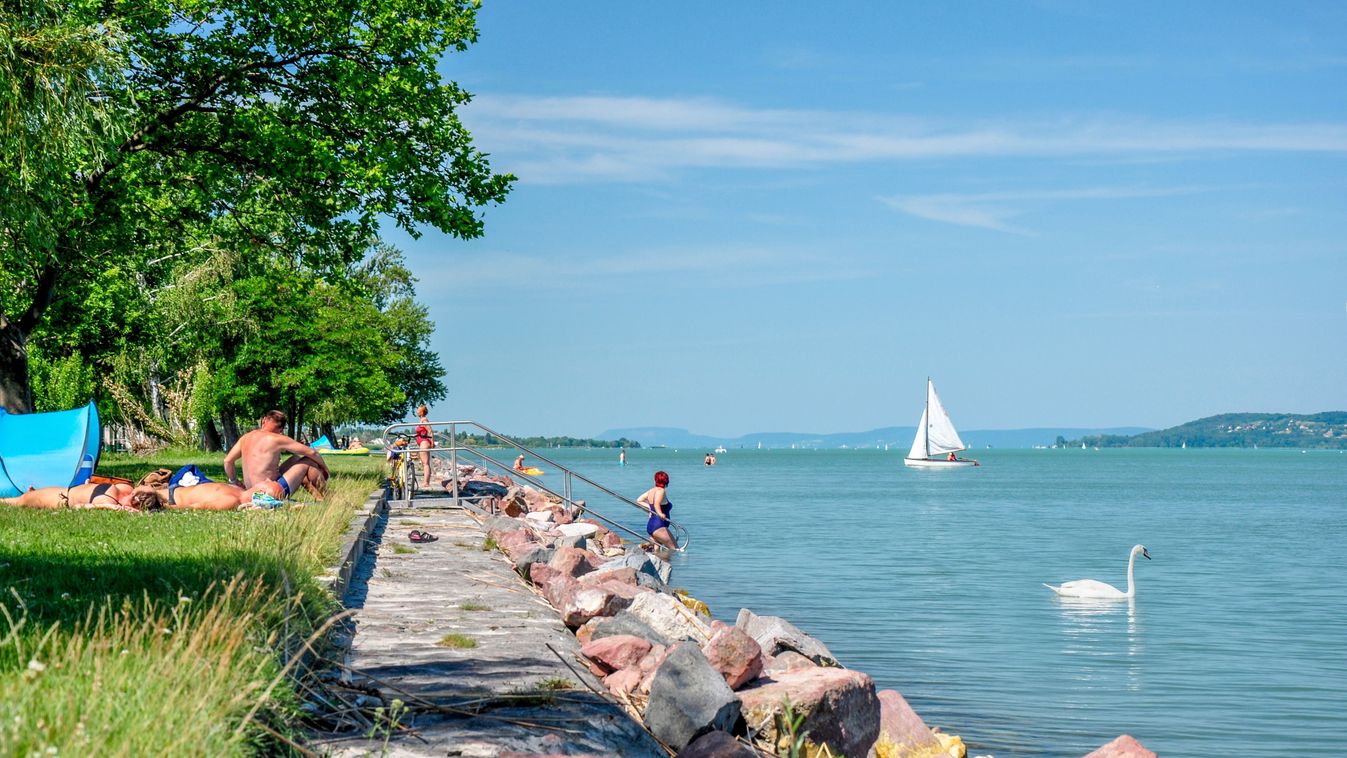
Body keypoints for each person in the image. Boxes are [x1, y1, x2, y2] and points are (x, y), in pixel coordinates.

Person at [223, 410, 330, 502]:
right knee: (308, 461)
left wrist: (234, 481)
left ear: (264, 420)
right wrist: (325, 468)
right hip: (270, 491)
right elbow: (312, 453)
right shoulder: (276, 438)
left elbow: (228, 461)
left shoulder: (245, 438)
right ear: (281, 430)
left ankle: (320, 499)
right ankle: (330, 497)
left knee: (295, 459)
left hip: (250, 492)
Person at [1, 482, 159, 512]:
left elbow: (79, 507)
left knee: (22, 500)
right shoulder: (112, 498)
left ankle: (32, 494)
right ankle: (32, 495)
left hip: (61, 495)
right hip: (59, 495)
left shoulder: (119, 494)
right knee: (15, 502)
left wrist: (112, 507)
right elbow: (78, 507)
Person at [636, 470, 678, 550]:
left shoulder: (651, 491)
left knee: (657, 551)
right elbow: (656, 503)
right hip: (659, 526)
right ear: (666, 480)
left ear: (655, 480)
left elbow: (639, 500)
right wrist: (660, 513)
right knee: (675, 549)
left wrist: (649, 508)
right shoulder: (661, 491)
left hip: (651, 526)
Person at [414, 405, 434, 488]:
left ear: (422, 412)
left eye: (418, 410)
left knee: (425, 463)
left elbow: (430, 431)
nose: (417, 411)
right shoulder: (421, 420)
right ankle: (426, 481)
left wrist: (432, 442)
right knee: (425, 463)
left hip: (424, 442)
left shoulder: (424, 420)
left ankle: (426, 482)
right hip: (422, 442)